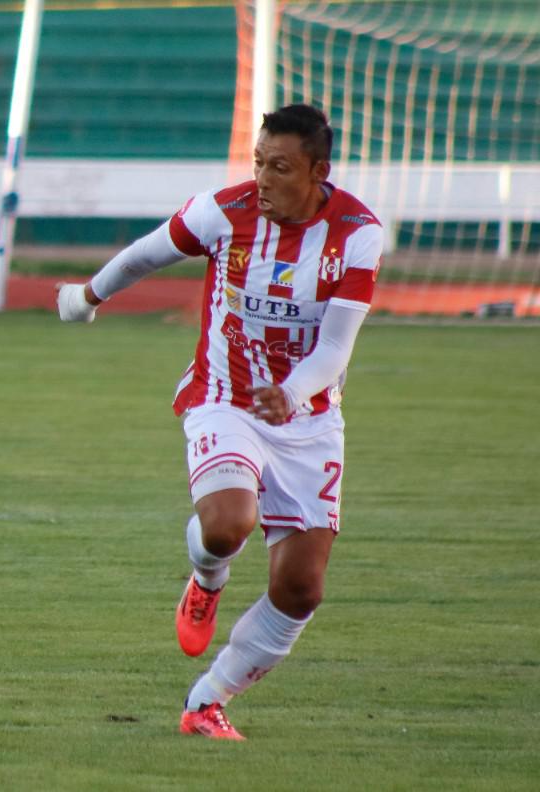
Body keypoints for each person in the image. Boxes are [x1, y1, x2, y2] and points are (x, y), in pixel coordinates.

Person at [56, 104, 383, 741]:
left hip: (309, 419)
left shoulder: (357, 232)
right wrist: (87, 296)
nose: (262, 177)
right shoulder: (224, 211)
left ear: (318, 171)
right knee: (230, 522)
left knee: (302, 589)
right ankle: (207, 577)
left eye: (279, 167)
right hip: (225, 396)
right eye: (258, 161)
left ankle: (207, 702)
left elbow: (336, 346)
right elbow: (145, 255)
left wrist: (290, 393)